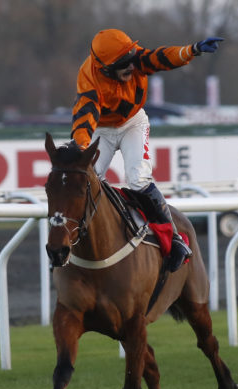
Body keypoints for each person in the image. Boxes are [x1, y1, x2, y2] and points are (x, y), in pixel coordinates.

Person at [71, 29, 223, 272]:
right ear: (106, 69)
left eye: (132, 59)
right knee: (86, 180)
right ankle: (76, 245)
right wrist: (79, 147)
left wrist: (192, 50)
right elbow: (85, 118)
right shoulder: (89, 79)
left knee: (138, 179)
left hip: (133, 123)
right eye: (124, 64)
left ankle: (174, 239)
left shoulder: (133, 58)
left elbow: (161, 58)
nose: (132, 67)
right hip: (102, 130)